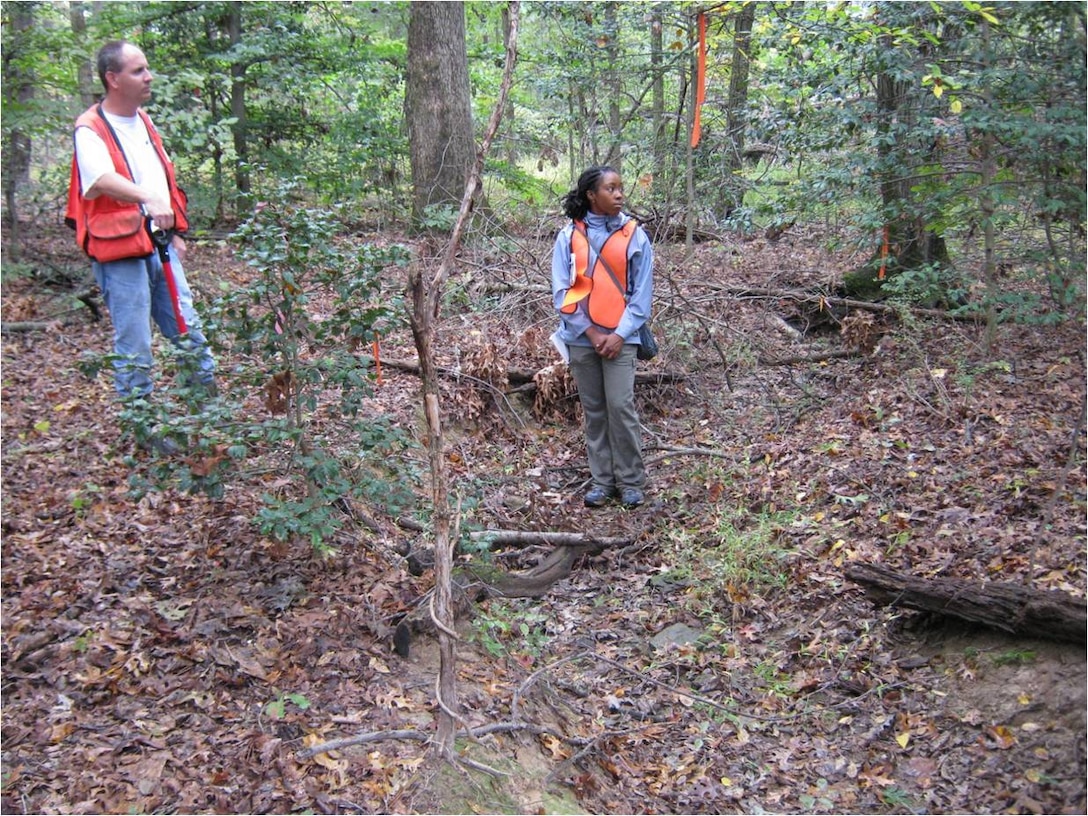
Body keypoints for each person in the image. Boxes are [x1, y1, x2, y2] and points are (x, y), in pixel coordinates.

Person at [66, 39, 215, 405]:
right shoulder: (90, 128)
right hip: (119, 253)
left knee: (187, 328)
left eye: (147, 69)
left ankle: (210, 410)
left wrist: (177, 230)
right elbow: (98, 179)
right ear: (113, 79)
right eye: (138, 71)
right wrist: (147, 199)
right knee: (135, 344)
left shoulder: (145, 121)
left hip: (158, 244)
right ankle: (142, 423)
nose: (149, 77)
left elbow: (163, 178)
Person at [551, 166, 653, 508]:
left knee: (621, 407)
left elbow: (641, 295)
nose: (620, 194)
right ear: (592, 195)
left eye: (621, 188)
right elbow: (563, 293)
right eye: (611, 189)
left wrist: (620, 334)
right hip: (582, 340)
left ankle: (631, 482)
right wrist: (592, 333)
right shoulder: (569, 236)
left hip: (623, 340)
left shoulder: (634, 234)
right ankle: (601, 481)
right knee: (594, 410)